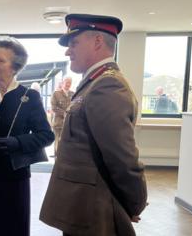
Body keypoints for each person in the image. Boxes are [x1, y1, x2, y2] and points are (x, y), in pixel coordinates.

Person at [40, 14, 147, 236]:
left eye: (74, 43)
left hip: (95, 210)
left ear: (98, 41)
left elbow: (122, 158)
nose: (68, 51)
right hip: (81, 206)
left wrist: (134, 202)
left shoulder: (107, 85)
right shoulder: (93, 82)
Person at [0, 37, 54, 236]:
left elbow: (46, 135)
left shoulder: (30, 97)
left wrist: (18, 142)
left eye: (1, 61)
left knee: (12, 227)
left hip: (15, 177)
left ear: (15, 67)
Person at [50, 77, 74, 156]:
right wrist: (65, 113)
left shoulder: (73, 94)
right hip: (58, 123)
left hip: (69, 123)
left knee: (67, 142)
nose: (68, 84)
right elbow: (53, 107)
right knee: (58, 142)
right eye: (67, 82)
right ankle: (57, 159)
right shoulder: (56, 94)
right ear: (62, 83)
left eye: (70, 82)